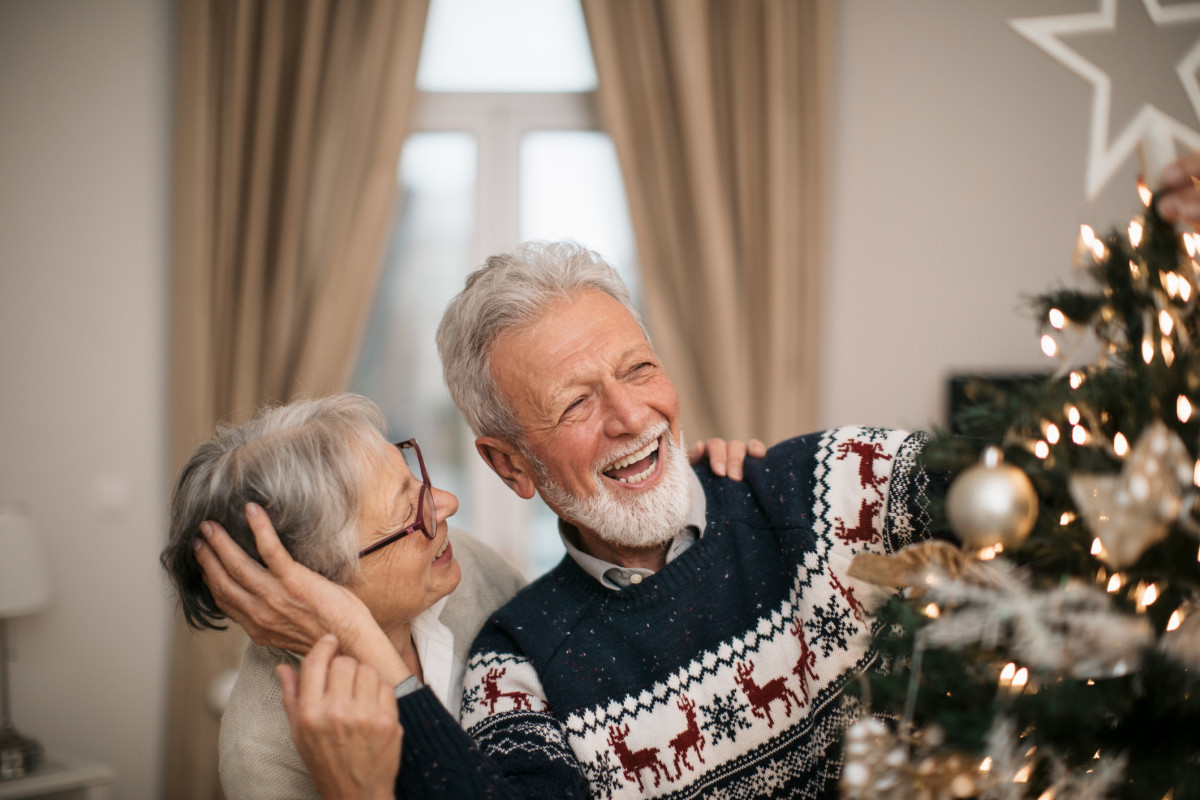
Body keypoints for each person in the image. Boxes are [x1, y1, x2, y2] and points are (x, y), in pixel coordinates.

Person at [198, 240, 934, 799]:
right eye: (575, 403)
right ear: (510, 465)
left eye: (639, 369)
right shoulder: (517, 663)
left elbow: (1018, 482)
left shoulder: (827, 483)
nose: (631, 416)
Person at [167, 391, 757, 799]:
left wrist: (682, 496)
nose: (444, 503)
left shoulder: (464, 568)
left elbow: (580, 656)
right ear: (320, 580)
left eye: (413, 474)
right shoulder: (265, 751)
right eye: (410, 509)